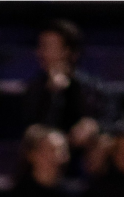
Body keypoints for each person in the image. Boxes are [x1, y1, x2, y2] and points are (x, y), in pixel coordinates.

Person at [22, 21, 104, 154]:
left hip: (84, 153)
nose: (40, 53)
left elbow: (108, 117)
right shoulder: (36, 87)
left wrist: (93, 126)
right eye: (40, 46)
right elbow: (33, 127)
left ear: (67, 51)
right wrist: (53, 93)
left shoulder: (89, 85)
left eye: (47, 47)